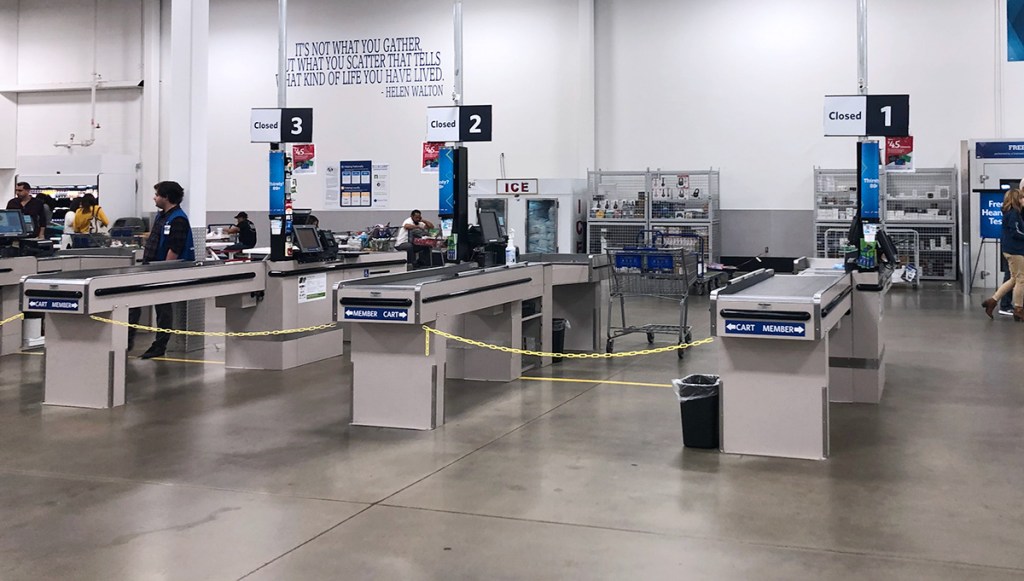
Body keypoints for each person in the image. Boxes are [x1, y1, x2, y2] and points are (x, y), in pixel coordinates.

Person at [128, 181, 195, 359]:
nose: (154, 197)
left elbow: (175, 248)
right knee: (133, 304)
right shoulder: (161, 217)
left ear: (166, 197)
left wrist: (164, 271)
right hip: (149, 266)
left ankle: (160, 345)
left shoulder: (178, 219)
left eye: (157, 194)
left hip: (161, 269)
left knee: (163, 308)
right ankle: (127, 341)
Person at [982, 187, 1024, 321]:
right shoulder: (1014, 214)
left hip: (1010, 249)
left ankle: (992, 301)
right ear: (1017, 199)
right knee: (1021, 279)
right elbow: (1015, 232)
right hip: (1015, 250)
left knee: (1013, 279)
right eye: (1022, 197)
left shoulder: (1010, 212)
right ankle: (1018, 309)